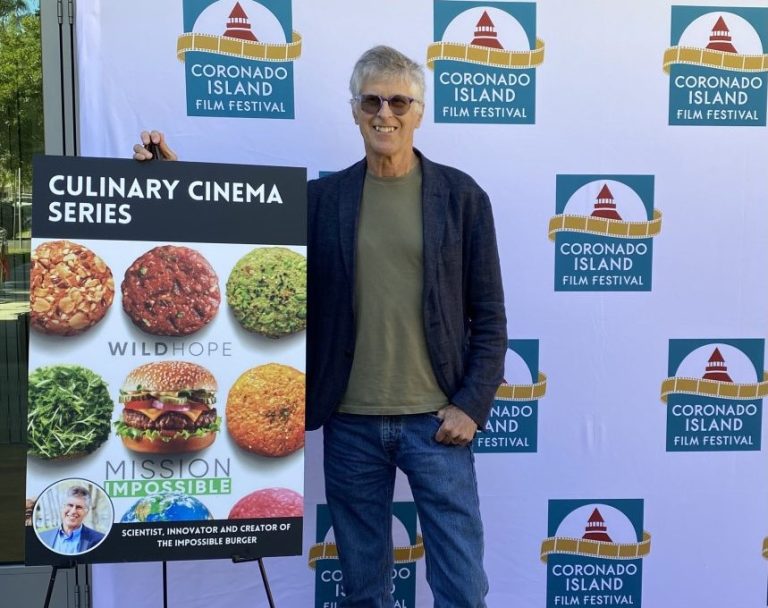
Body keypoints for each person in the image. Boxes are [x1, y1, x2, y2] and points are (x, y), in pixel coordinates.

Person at [133, 45, 506, 607]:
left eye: (399, 101)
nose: (385, 113)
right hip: (350, 424)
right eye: (371, 101)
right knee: (363, 590)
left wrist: (471, 406)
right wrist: (174, 181)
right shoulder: (323, 200)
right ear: (354, 110)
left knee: (462, 588)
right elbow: (237, 230)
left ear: (419, 111)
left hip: (437, 424)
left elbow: (491, 316)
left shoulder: (461, 198)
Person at [38, 485, 105, 554]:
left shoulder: (99, 540)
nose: (73, 511)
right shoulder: (42, 537)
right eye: (70, 505)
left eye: (79, 507)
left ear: (86, 512)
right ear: (62, 508)